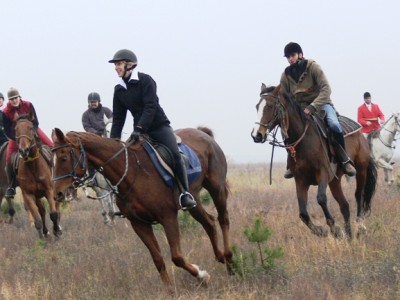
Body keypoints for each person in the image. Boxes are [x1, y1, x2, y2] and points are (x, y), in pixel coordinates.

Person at [108, 49, 196, 210]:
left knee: (175, 155)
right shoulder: (119, 89)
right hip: (139, 131)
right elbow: (119, 119)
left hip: (158, 127)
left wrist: (140, 128)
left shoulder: (146, 81)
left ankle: (185, 194)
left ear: (130, 65)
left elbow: (150, 107)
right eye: (115, 65)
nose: (116, 67)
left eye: (119, 64)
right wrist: (112, 142)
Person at [280, 42, 356, 178]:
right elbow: (284, 95)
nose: (290, 58)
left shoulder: (313, 67)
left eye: (292, 55)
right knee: (287, 128)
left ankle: (345, 160)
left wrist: (313, 106)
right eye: (288, 57)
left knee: (334, 124)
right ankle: (290, 164)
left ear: (300, 54)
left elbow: (327, 89)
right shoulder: (286, 75)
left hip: (322, 105)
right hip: (301, 109)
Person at [2, 88, 54, 198]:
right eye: (11, 99)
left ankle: (54, 176)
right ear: (9, 101)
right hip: (16, 136)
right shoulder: (6, 112)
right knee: (8, 159)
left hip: (32, 131)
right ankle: (11, 186)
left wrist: (32, 133)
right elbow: (7, 130)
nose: (14, 101)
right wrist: (17, 139)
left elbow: (36, 122)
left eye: (15, 98)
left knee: (51, 146)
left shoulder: (28, 105)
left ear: (19, 97)